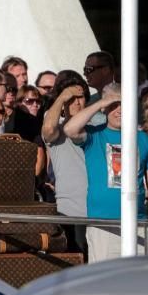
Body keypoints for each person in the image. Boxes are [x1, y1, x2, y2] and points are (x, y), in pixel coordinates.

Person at [64, 84, 148, 261]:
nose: (119, 110)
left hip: (138, 221)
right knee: (104, 283)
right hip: (103, 222)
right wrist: (101, 102)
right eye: (113, 105)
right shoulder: (95, 135)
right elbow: (70, 129)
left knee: (137, 282)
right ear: (104, 108)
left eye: (123, 104)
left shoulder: (142, 138)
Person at [41, 72, 90, 252]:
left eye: (81, 97)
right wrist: (62, 96)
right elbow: (47, 129)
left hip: (99, 211)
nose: (77, 102)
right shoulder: (57, 129)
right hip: (69, 212)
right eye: (71, 98)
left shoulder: (96, 129)